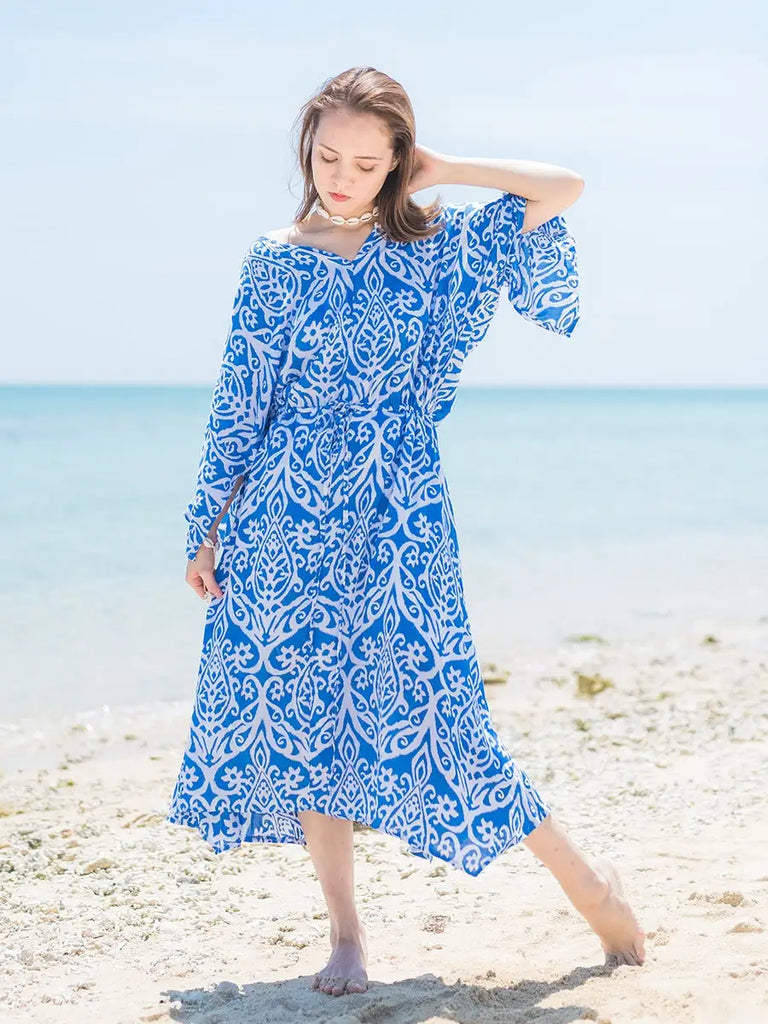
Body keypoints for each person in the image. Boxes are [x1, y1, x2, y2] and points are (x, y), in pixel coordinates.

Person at [166, 66, 645, 997]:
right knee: (305, 721)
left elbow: (562, 187)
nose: (342, 178)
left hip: (400, 514)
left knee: (443, 710)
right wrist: (205, 528)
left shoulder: (433, 247)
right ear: (305, 149)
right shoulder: (273, 260)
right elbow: (240, 402)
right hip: (284, 518)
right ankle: (346, 936)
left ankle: (590, 888)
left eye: (366, 162)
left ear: (397, 162)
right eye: (327, 157)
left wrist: (447, 169)